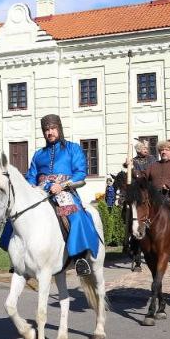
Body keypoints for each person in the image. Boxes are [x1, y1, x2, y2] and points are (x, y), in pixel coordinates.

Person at [20, 114, 99, 275]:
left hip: (65, 193)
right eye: (46, 130)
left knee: (75, 216)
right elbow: (30, 176)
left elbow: (80, 173)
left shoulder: (73, 149)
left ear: (59, 129)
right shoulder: (38, 154)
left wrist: (61, 185)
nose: (50, 132)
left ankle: (79, 258)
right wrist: (31, 187)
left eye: (53, 128)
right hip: (40, 194)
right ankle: (19, 259)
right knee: (18, 216)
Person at [121, 141, 153, 270]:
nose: (146, 150)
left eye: (147, 148)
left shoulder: (153, 159)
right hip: (136, 192)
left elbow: (152, 173)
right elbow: (127, 169)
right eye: (144, 148)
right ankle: (135, 254)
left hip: (150, 191)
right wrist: (128, 165)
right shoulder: (133, 160)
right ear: (139, 150)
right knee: (130, 214)